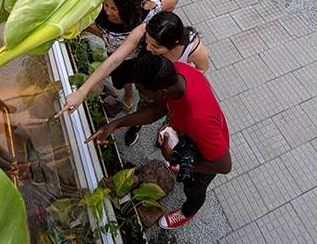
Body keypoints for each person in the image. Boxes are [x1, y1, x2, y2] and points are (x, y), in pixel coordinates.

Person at [85, 54, 231, 230]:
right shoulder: (177, 71)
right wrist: (116, 124)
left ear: (162, 91)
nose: (140, 93)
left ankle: (187, 212)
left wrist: (175, 158)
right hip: (192, 140)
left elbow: (223, 166)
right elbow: (158, 109)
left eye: (142, 90)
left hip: (208, 156)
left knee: (194, 189)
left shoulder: (198, 119)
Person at [80, 0, 179, 135]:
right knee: (124, 79)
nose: (108, 11)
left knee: (143, 83)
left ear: (127, 8)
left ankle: (137, 104)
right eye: (106, 5)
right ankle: (128, 93)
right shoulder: (98, 15)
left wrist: (164, 24)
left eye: (114, 8)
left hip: (143, 55)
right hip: (120, 57)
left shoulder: (146, 12)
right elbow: (115, 58)